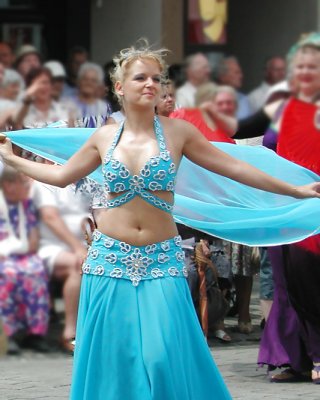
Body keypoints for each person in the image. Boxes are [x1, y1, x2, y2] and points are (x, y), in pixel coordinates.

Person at [0, 41, 319, 400]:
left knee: (160, 355)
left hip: (161, 260)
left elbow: (235, 168)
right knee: (115, 358)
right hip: (109, 261)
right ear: (120, 87)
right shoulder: (104, 137)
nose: (151, 84)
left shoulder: (178, 133)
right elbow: (60, 177)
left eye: (157, 78)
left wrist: (295, 191)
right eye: (140, 78)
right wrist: (12, 160)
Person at [32, 178, 89, 353]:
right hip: (50, 247)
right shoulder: (45, 182)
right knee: (76, 265)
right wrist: (78, 248)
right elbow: (50, 217)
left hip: (88, 245)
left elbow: (101, 214)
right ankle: (69, 333)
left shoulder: (92, 182)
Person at [0, 166, 50, 354]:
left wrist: (25, 249)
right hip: (2, 256)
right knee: (8, 273)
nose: (27, 188)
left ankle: (35, 334)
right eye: (24, 183)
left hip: (23, 253)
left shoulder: (26, 206)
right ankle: (8, 333)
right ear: (8, 185)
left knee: (35, 271)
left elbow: (34, 237)